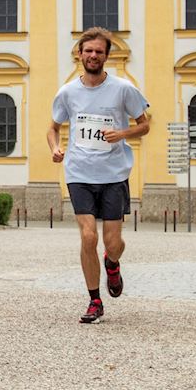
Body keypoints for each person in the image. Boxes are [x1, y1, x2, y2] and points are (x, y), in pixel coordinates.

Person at [48, 28, 150, 324]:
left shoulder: (123, 89)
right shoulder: (67, 92)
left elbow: (144, 125)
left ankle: (113, 263)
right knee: (88, 236)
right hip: (79, 172)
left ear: (107, 56)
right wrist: (56, 147)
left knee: (113, 241)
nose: (93, 56)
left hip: (114, 174)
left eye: (99, 51)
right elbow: (52, 127)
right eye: (88, 50)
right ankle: (94, 300)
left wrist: (123, 133)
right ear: (80, 54)